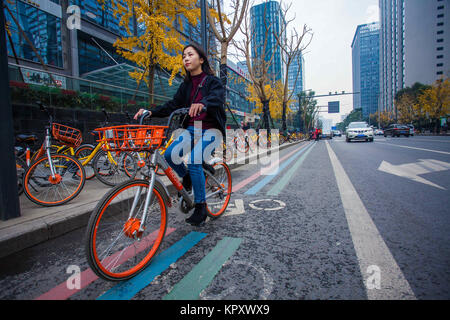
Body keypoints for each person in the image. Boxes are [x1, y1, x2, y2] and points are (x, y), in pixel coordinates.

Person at [134, 43, 226, 226]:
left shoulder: (212, 81)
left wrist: (203, 103)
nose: (186, 58)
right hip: (192, 129)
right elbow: (173, 104)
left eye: (190, 55)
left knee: (193, 160)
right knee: (169, 155)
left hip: (211, 130)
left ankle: (201, 206)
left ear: (201, 59)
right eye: (184, 56)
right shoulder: (185, 85)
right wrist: (151, 112)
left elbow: (217, 97)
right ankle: (190, 177)